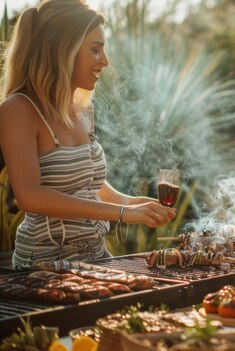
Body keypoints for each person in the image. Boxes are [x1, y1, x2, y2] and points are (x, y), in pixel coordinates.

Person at [0, 0, 177, 269]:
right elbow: (30, 197)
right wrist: (122, 213)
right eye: (95, 50)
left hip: (96, 259)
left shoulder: (83, 109)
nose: (105, 61)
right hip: (44, 266)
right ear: (63, 50)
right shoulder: (18, 110)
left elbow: (91, 186)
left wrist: (136, 205)